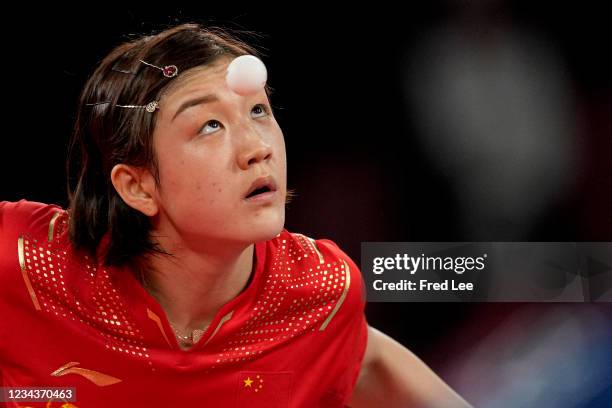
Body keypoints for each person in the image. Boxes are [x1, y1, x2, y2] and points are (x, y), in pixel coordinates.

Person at [0, 23, 470, 407]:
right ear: (137, 186)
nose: (257, 149)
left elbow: (365, 360)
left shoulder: (318, 299)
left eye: (260, 111)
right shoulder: (22, 262)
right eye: (210, 125)